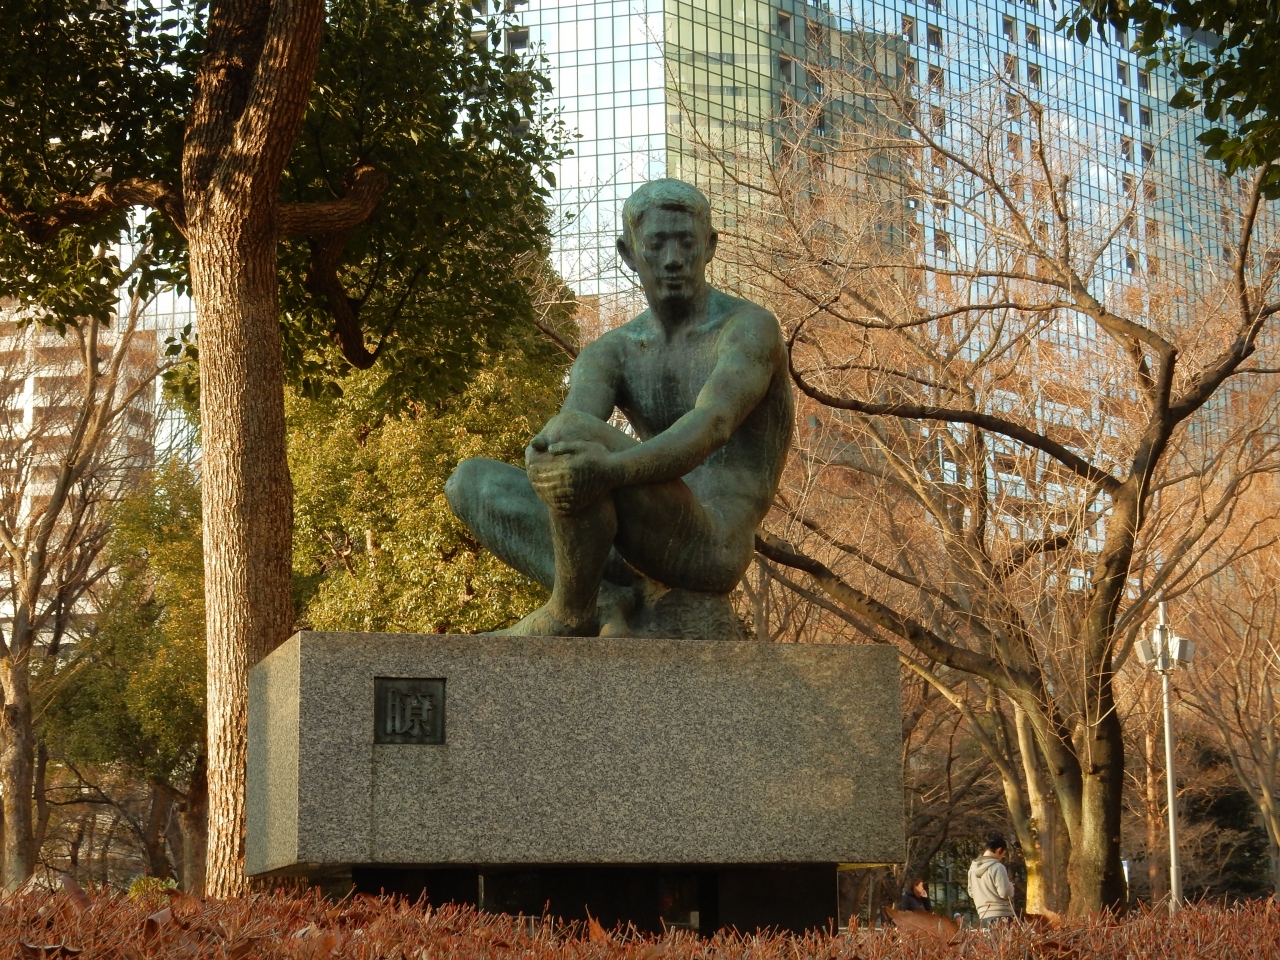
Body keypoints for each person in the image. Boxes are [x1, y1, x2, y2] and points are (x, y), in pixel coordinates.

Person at [446, 179, 793, 638]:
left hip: (708, 546)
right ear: (629, 253)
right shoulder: (612, 352)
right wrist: (545, 457)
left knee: (576, 442)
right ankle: (606, 600)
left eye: (686, 243)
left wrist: (609, 469)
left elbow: (714, 422)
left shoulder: (749, 329)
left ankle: (569, 612)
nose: (673, 259)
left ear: (709, 247)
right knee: (470, 481)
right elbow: (567, 431)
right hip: (632, 544)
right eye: (656, 244)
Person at [967, 836, 1015, 929]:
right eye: (1003, 854)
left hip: (983, 915)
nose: (1002, 857)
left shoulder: (972, 870)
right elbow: (1005, 893)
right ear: (999, 850)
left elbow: (971, 893)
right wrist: (1010, 887)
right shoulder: (998, 867)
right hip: (1002, 915)